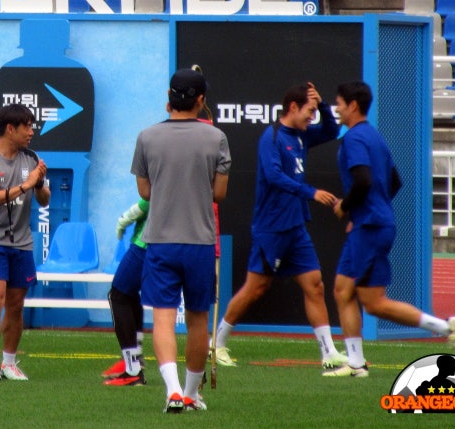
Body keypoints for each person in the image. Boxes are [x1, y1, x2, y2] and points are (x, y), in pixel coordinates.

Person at [323, 81, 455, 378]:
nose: (335, 108)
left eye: (338, 102)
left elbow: (362, 181)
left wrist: (346, 207)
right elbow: (395, 181)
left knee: (362, 298)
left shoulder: (354, 139)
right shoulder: (374, 136)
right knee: (353, 294)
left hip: (370, 225)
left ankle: (441, 328)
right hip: (375, 222)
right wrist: (370, 208)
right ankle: (358, 363)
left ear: (352, 105)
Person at [214, 82, 347, 370]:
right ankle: (218, 343)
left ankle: (328, 354)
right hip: (271, 227)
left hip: (296, 226)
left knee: (314, 285)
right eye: (309, 111)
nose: (312, 117)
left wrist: (322, 104)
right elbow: (274, 176)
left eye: (314, 112)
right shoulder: (272, 137)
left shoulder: (302, 136)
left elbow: (332, 131)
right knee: (255, 288)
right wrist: (309, 192)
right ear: (292, 108)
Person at [133, 67, 229, 413]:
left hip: (160, 240)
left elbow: (144, 190)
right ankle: (191, 393)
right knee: (198, 319)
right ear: (200, 100)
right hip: (200, 241)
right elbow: (219, 193)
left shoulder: (147, 137)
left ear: (169, 98)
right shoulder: (216, 138)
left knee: (162, 317)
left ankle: (172, 391)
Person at [0, 103, 49, 382]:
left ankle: (9, 362)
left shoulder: (31, 158)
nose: (31, 132)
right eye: (26, 126)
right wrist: (25, 185)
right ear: (9, 129)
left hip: (22, 242)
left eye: (32, 126)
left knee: (16, 303)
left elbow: (44, 199)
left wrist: (39, 184)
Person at [101, 197, 149, 386]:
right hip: (162, 242)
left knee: (118, 295)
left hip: (145, 244)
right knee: (128, 295)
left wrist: (124, 219)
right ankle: (135, 359)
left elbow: (149, 199)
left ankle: (133, 370)